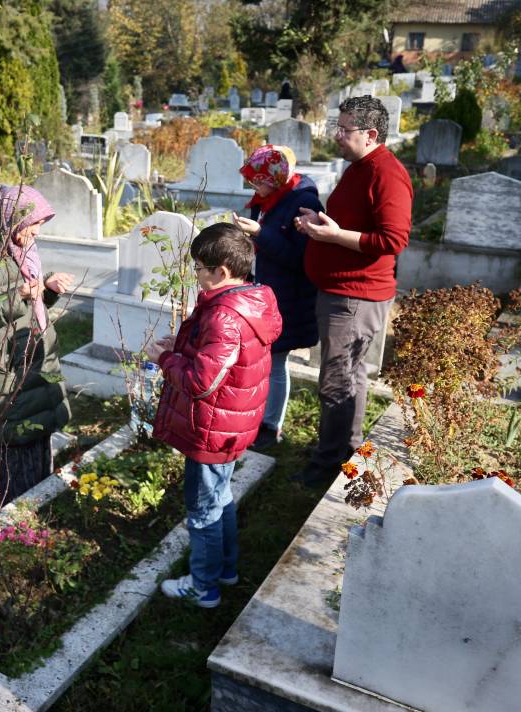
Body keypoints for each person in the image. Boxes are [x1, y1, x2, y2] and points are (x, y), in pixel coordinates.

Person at [145, 223, 281, 608]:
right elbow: (221, 360)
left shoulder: (224, 315)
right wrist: (183, 346)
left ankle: (203, 587)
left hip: (211, 427)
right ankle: (225, 568)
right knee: (220, 497)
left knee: (203, 509)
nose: (196, 274)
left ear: (221, 272)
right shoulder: (249, 301)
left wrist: (165, 359)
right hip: (231, 422)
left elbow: (203, 382)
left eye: (200, 267)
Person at [292, 95, 413, 490]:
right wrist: (319, 222)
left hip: (355, 298)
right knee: (348, 378)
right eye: (337, 128)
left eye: (345, 130)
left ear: (372, 133)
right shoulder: (359, 167)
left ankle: (327, 467)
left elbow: (393, 239)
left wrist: (334, 235)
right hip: (341, 292)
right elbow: (352, 221)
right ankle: (347, 452)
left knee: (337, 381)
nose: (337, 136)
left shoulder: (386, 173)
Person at [0, 185, 76, 518]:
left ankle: (32, 517)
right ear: (8, 220)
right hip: (3, 368)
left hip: (31, 359)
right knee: (7, 449)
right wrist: (19, 296)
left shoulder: (20, 248)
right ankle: (1, 523)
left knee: (34, 440)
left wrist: (46, 288)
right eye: (32, 223)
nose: (37, 231)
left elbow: (28, 302)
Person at [232, 145, 323, 448]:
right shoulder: (268, 198)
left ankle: (271, 426)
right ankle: (258, 416)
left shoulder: (303, 201)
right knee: (261, 361)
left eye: (257, 180)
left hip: (286, 297)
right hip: (263, 291)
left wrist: (260, 232)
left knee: (276, 361)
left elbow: (299, 259)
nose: (252, 186)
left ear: (276, 176)